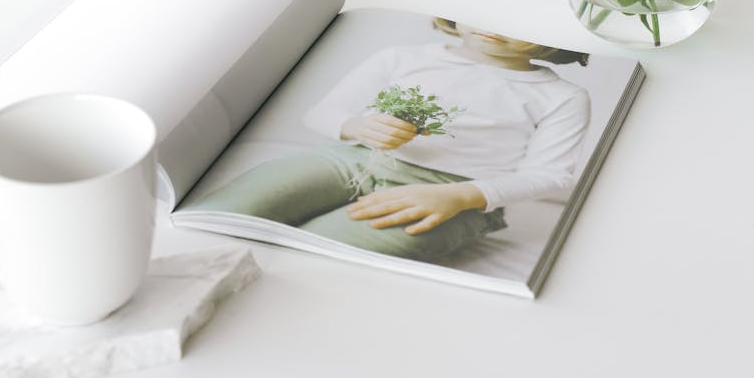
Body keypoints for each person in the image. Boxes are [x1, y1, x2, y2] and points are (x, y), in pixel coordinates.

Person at [195, 20, 591, 265]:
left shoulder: (562, 96)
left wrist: (461, 197)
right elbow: (322, 113)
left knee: (320, 256)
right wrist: (356, 126)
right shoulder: (401, 56)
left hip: (451, 196)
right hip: (352, 158)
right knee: (223, 212)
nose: (497, 23)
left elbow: (552, 175)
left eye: (520, 18)